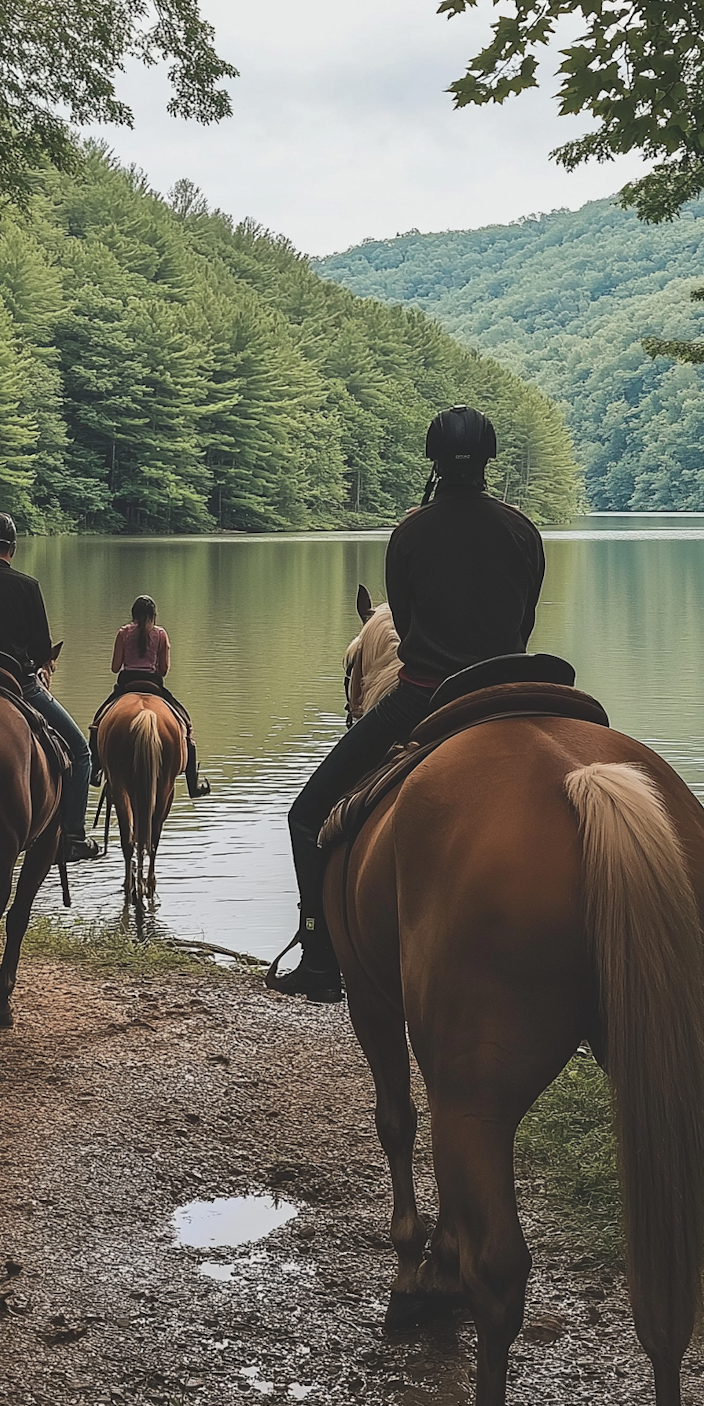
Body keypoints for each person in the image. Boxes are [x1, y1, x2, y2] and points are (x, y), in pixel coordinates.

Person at [271, 406, 546, 1002]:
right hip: (510, 688)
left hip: (425, 697)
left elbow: (408, 622)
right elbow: (524, 620)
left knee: (306, 812)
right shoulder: (523, 529)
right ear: (490, 461)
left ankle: (320, 960)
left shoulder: (411, 532)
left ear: (434, 462)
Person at [0, 513, 100, 863]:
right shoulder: (27, 585)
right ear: (13, 548)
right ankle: (73, 837)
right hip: (18, 682)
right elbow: (40, 648)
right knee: (80, 753)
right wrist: (38, 663)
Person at [90, 595, 211, 797]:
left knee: (97, 722)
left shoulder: (123, 633)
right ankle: (193, 785)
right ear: (154, 616)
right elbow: (163, 670)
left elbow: (114, 667)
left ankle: (95, 771)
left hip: (126, 685)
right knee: (187, 725)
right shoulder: (161, 635)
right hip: (153, 685)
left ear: (133, 614)